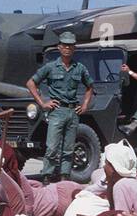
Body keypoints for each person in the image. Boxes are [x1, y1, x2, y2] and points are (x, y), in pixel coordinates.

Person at [26, 32, 93, 180]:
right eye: (65, 45)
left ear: (74, 48)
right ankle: (47, 176)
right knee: (52, 147)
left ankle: (64, 177)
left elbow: (90, 86)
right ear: (59, 47)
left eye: (71, 45)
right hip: (57, 111)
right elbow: (31, 83)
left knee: (69, 148)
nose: (68, 48)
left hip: (73, 111)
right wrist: (43, 102)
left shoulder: (79, 68)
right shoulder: (50, 67)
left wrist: (85, 105)